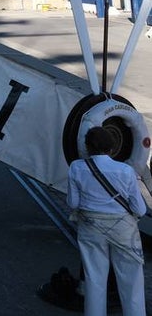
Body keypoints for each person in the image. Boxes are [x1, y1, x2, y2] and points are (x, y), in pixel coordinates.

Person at [67, 126, 147, 316]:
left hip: (90, 227)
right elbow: (140, 209)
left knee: (94, 280)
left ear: (87, 147)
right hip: (123, 230)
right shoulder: (126, 171)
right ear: (112, 148)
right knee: (131, 282)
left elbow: (73, 202)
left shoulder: (77, 167)